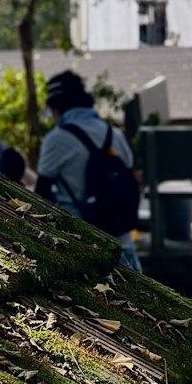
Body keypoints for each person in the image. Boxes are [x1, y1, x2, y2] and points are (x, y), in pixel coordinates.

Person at [35, 70, 143, 272]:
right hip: (125, 248)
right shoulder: (115, 134)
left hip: (82, 245)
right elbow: (130, 179)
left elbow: (41, 195)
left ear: (57, 109)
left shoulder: (57, 139)